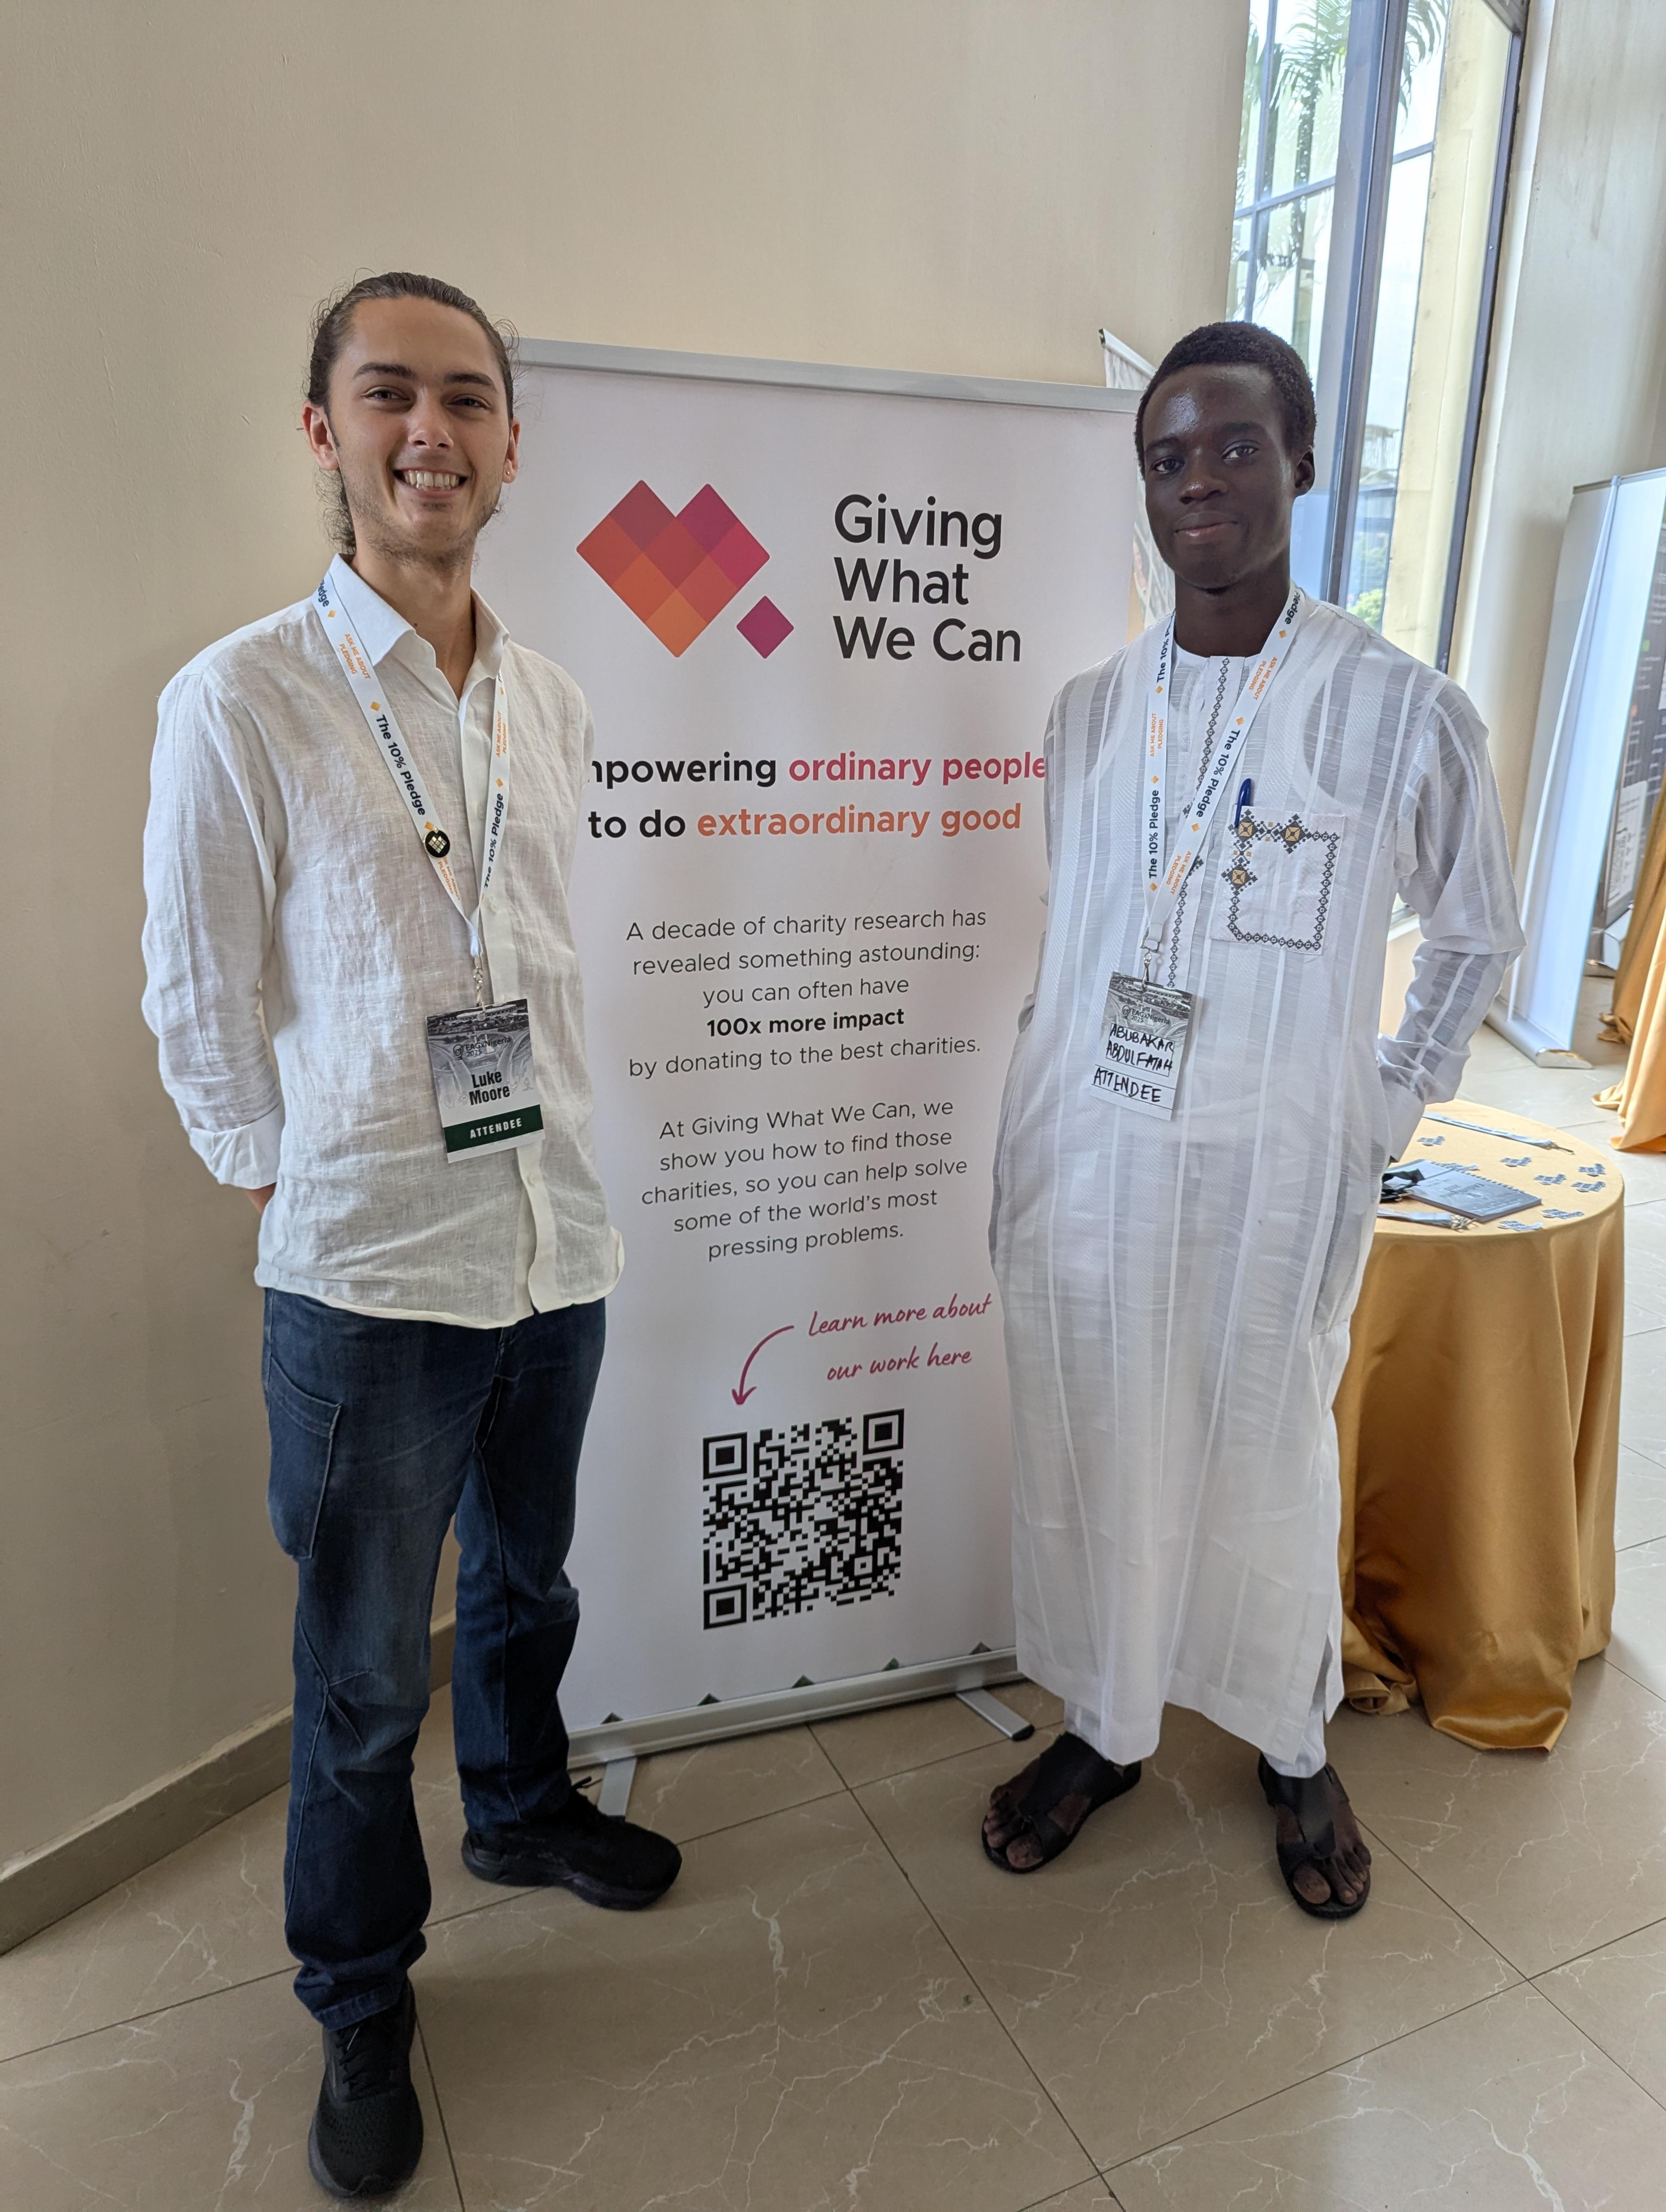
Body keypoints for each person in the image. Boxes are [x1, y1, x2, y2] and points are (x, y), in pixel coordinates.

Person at [142, 272, 680, 2201]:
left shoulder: (556, 701)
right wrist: (305, 1182)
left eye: (467, 399)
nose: (429, 432)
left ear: (514, 445)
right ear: (327, 434)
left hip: (560, 1239)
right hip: (373, 1277)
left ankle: (525, 1811)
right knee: (365, 1674)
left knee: (526, 1584)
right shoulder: (244, 699)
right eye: (388, 397)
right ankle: (361, 1989)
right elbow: (196, 995)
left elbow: (536, 962)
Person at [984, 322, 1522, 1916]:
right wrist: (1024, 1132)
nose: (1199, 481)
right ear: (1142, 491)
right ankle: (1109, 1720)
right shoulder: (1092, 714)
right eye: (1168, 456)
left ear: (1303, 460)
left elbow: (1478, 931)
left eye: (1234, 445)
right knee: (1098, 1437)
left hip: (1276, 1172)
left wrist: (1383, 1107)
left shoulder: (1396, 709)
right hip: (1090, 1160)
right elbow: (1076, 941)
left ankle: (1292, 1738)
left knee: (1268, 1445)